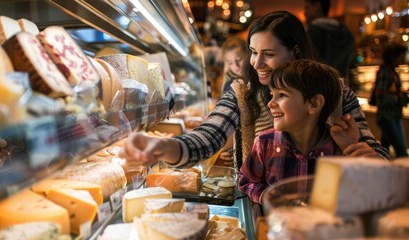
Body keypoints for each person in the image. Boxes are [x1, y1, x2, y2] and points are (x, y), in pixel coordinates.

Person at [121, 11, 388, 169]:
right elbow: (207, 137)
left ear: (295, 51)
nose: (256, 64)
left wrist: (369, 155)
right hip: (259, 215)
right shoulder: (242, 92)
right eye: (252, 52)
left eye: (268, 54)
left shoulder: (335, 90)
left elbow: (374, 151)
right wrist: (162, 146)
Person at [239, 59, 368, 203]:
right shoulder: (264, 143)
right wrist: (265, 196)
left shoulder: (338, 151)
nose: (270, 103)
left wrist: (351, 148)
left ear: (314, 104)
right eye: (271, 94)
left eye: (282, 95)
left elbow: (359, 197)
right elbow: (246, 181)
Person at [304, 0, 355, 79]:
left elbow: (309, 63)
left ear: (317, 7)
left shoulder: (312, 31)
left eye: (307, 7)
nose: (305, 12)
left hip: (321, 84)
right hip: (342, 83)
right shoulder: (345, 31)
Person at [374, 42, 409, 158]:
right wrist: (400, 98)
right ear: (394, 57)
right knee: (401, 151)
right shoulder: (386, 72)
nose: (403, 59)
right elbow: (381, 97)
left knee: (384, 150)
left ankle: (383, 172)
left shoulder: (392, 72)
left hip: (393, 116)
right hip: (388, 116)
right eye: (401, 56)